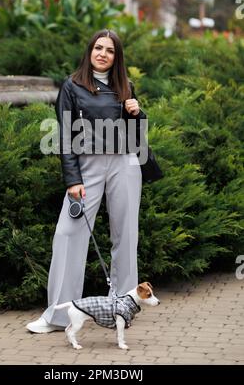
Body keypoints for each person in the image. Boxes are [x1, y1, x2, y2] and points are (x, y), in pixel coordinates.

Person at [26, 29, 161, 333]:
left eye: (110, 50)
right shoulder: (72, 86)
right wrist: (72, 178)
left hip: (125, 163)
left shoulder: (126, 85)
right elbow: (64, 136)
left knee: (126, 237)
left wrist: (137, 112)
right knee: (68, 234)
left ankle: (124, 311)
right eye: (98, 48)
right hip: (88, 166)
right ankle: (58, 316)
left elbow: (137, 133)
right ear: (89, 51)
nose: (103, 53)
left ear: (117, 57)